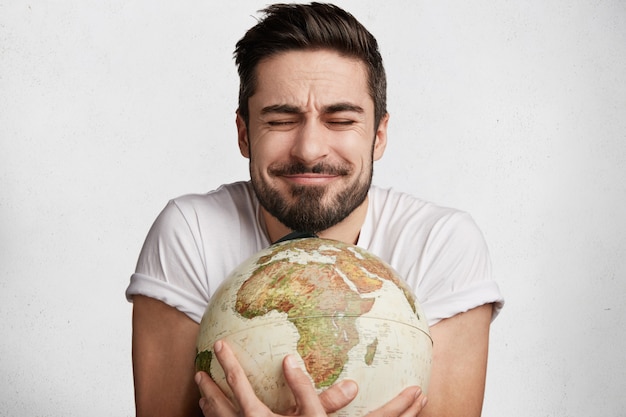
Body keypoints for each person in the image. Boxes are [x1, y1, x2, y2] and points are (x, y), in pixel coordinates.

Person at [126, 3, 504, 417]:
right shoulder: (190, 233)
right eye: (281, 120)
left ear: (378, 136)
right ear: (244, 134)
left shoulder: (442, 244)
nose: (309, 149)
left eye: (340, 120)